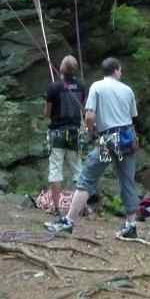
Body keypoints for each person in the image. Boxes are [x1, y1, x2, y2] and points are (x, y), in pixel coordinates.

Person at [46, 57, 140, 240]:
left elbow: (89, 116)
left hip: (108, 139)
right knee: (128, 181)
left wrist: (92, 132)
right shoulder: (127, 90)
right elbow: (133, 117)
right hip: (127, 139)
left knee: (87, 178)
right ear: (117, 70)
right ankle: (131, 225)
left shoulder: (97, 87)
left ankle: (69, 222)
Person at [44, 55, 85, 212]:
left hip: (57, 132)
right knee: (77, 169)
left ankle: (57, 208)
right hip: (74, 132)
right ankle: (79, 207)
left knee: (55, 169)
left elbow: (47, 113)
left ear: (61, 69)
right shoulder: (81, 86)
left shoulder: (53, 87)